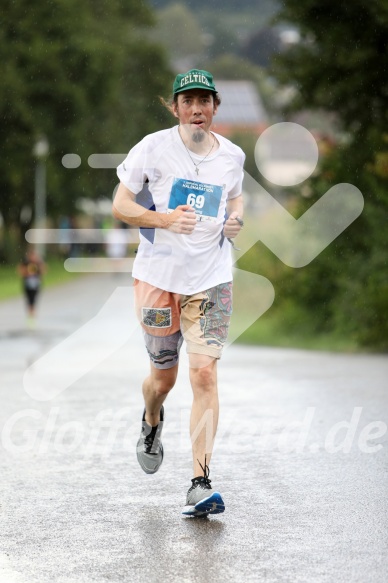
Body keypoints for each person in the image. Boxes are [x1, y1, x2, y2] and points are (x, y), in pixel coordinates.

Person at [113, 68, 245, 517]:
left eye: (204, 101)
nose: (196, 109)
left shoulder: (232, 155)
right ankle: (151, 421)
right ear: (175, 107)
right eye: (187, 101)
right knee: (163, 380)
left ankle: (200, 481)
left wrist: (235, 220)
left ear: (214, 108)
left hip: (211, 278)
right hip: (158, 278)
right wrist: (165, 219)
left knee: (204, 375)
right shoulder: (152, 148)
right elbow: (122, 204)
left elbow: (236, 198)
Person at [18, 247, 46, 329]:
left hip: (36, 285)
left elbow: (43, 271)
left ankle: (32, 318)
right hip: (27, 285)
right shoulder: (25, 263)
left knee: (33, 301)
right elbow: (20, 271)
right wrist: (27, 273)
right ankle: (30, 317)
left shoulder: (39, 263)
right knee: (29, 301)